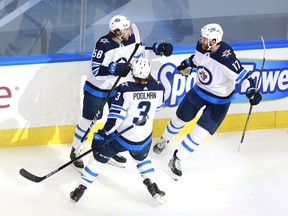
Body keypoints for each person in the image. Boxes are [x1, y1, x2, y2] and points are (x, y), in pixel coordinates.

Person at [153, 23, 262, 180]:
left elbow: (244, 77)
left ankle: (178, 158)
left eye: (206, 39)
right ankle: (164, 140)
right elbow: (198, 59)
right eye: (202, 38)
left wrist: (251, 91)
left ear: (215, 40)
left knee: (200, 132)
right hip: (198, 91)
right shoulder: (202, 46)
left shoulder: (227, 59)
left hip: (219, 101)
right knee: (179, 119)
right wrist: (189, 63)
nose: (202, 41)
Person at [70, 15, 173, 170]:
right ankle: (76, 150)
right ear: (117, 31)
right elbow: (96, 70)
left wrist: (158, 48)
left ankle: (109, 150)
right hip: (97, 89)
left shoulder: (130, 40)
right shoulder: (103, 44)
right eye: (126, 29)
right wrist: (113, 69)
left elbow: (142, 51)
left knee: (116, 120)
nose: (129, 31)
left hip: (117, 88)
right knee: (88, 121)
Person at [70, 57, 166, 204]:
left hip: (121, 139)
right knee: (142, 159)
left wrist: (102, 134)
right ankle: (152, 186)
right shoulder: (159, 87)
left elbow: (116, 119)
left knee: (96, 161)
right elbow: (159, 107)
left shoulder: (124, 88)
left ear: (133, 72)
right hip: (143, 139)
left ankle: (79, 189)